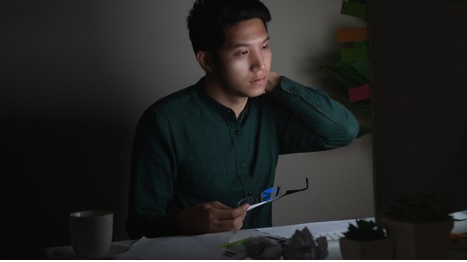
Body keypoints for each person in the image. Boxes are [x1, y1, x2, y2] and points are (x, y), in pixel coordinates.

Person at [126, 0, 359, 239]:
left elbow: (343, 130)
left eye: (265, 47)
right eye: (243, 52)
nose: (260, 64)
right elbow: (139, 224)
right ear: (207, 60)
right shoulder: (164, 121)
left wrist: (273, 82)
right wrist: (184, 221)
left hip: (261, 257)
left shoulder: (271, 110)